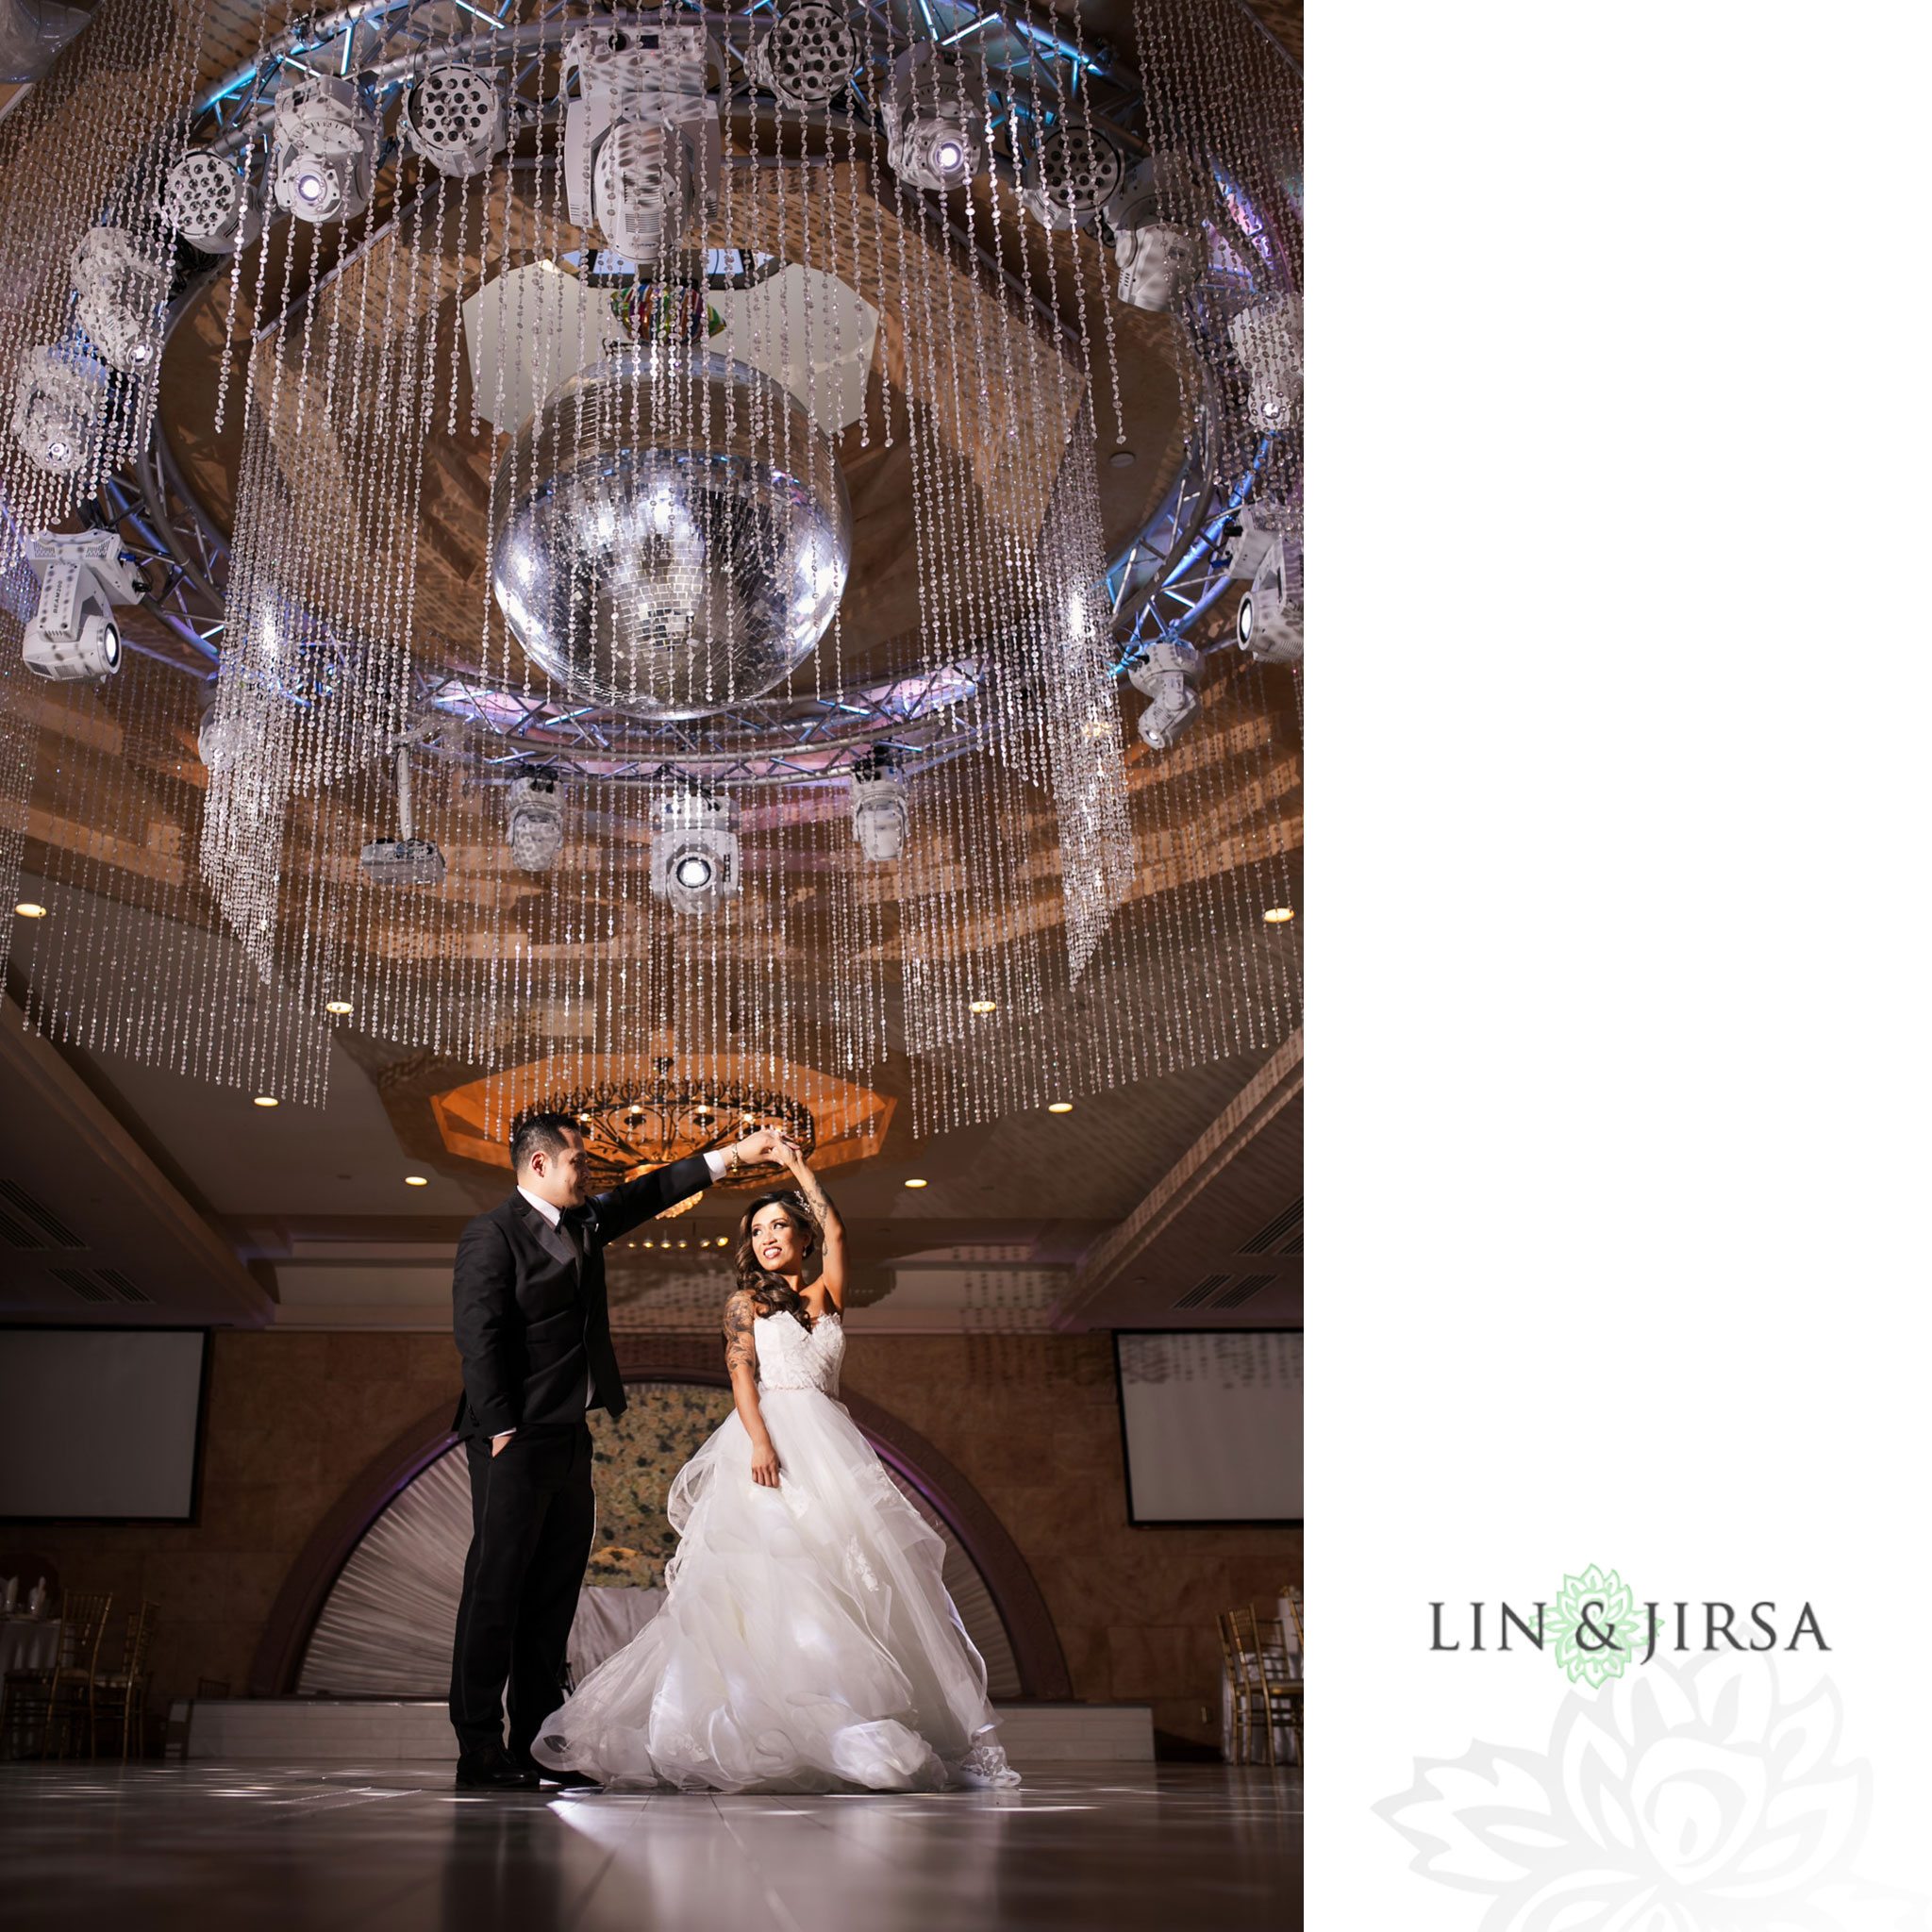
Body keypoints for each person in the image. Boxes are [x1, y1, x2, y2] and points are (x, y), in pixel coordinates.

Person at [529, 1143, 1021, 1792]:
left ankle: (853, 1713)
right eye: (756, 1230)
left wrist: (794, 1169)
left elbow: (840, 1229)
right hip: (768, 1443)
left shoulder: (827, 1294)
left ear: (803, 1237)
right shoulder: (743, 1304)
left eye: (778, 1226)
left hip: (832, 1444)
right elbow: (740, 1379)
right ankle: (770, 1723)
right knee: (772, 1579)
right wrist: (760, 1443)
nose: (766, 1237)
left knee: (856, 1577)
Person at [447, 1111, 796, 1791]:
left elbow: (649, 1191)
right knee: (496, 1591)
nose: (591, 1172)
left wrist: (737, 1154)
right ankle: (479, 1746)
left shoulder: (582, 1223)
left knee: (552, 1595)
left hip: (569, 1437)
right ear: (540, 1165)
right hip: (510, 1439)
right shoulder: (489, 1236)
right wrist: (499, 1428)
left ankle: (538, 1745)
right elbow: (477, 1333)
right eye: (579, 1161)